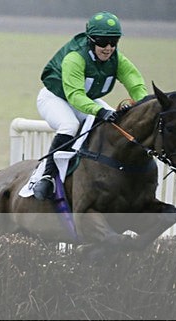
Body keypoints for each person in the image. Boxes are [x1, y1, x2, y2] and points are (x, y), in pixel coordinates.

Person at [34, 11, 148, 201]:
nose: (108, 48)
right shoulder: (75, 58)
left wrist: (144, 104)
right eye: (103, 41)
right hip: (54, 98)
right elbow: (75, 95)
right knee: (69, 126)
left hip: (84, 99)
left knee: (115, 123)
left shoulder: (117, 59)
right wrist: (100, 111)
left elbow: (136, 85)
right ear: (91, 40)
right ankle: (47, 176)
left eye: (114, 42)